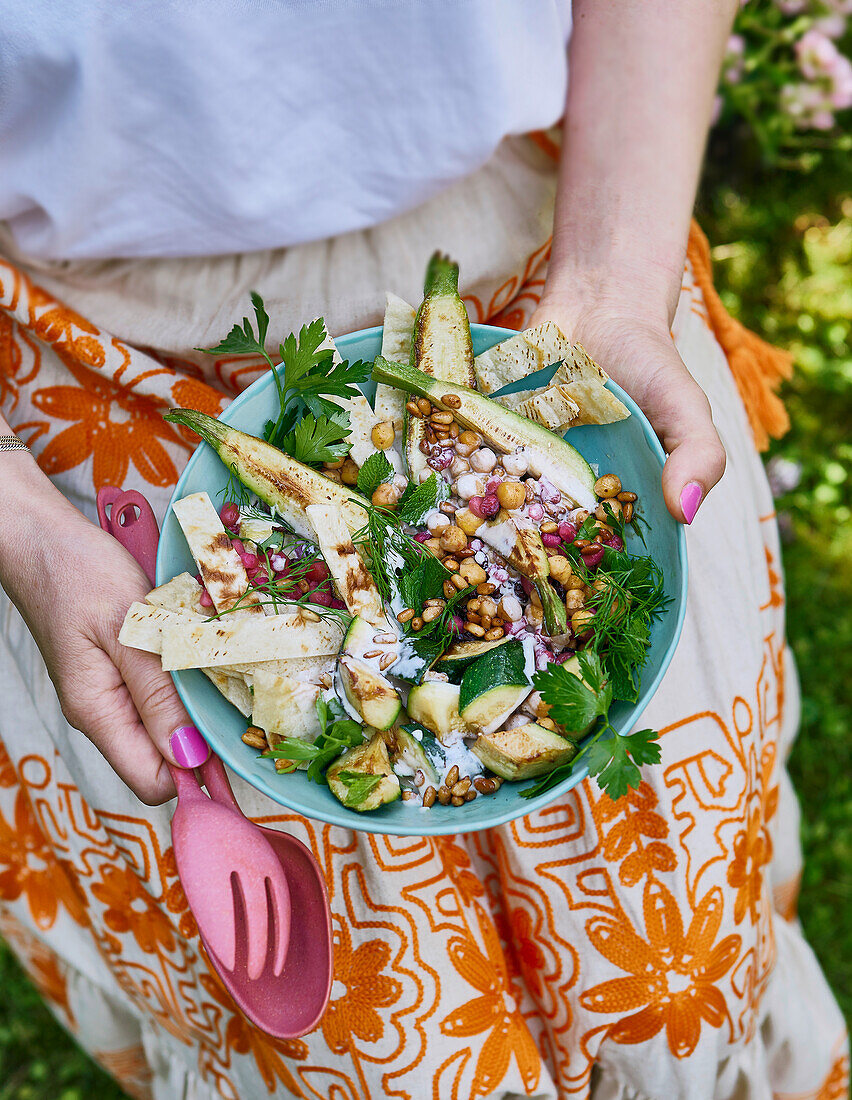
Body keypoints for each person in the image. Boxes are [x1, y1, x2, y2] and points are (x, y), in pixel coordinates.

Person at [0, 3, 846, 1098]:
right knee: (352, 1043)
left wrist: (617, 283)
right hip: (89, 387)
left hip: (549, 277)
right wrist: (22, 528)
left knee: (676, 953)